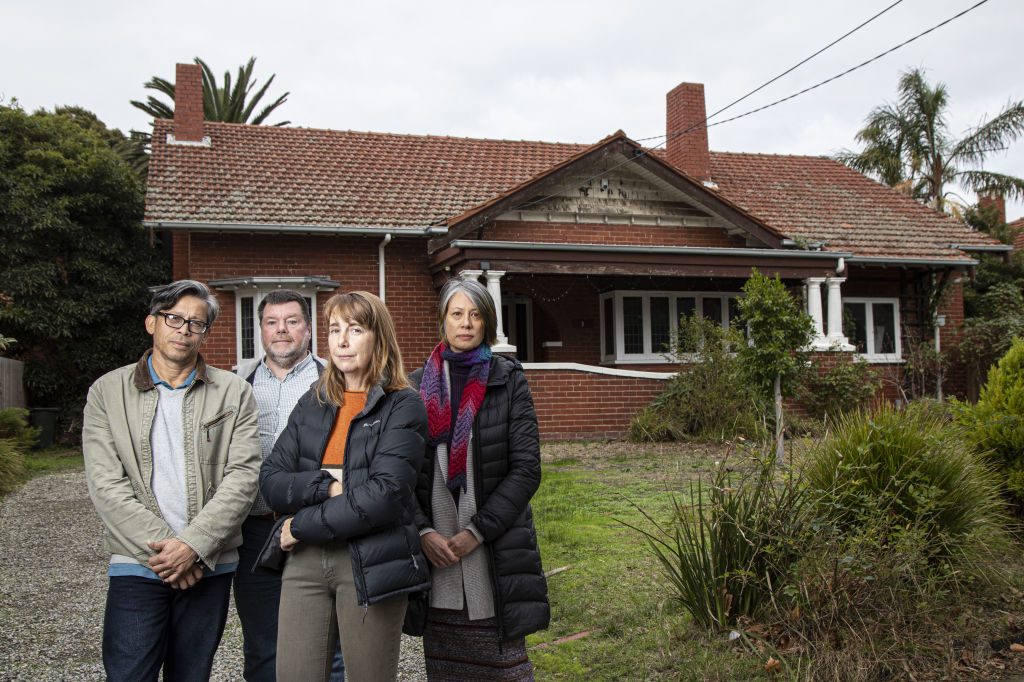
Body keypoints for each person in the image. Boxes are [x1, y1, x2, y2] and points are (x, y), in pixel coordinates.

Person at [82, 279, 261, 681]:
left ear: (205, 333)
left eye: (196, 323)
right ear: (152, 323)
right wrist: (173, 554)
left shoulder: (233, 392)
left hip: (209, 566)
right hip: (138, 564)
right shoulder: (107, 392)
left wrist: (194, 546)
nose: (184, 329)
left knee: (191, 675)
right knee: (129, 674)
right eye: (174, 318)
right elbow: (106, 486)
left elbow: (243, 477)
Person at [259, 291, 430, 682]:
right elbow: (271, 480)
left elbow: (384, 497)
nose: (341, 340)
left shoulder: (402, 404)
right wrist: (329, 486)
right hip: (305, 561)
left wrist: (298, 525)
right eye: (334, 329)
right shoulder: (313, 401)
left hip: (372, 559)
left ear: (378, 337)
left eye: (355, 329)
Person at [407, 277, 549, 680]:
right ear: (443, 320)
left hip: (493, 540)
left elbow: (526, 468)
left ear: (486, 322)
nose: (465, 323)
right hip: (436, 544)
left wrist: (478, 531)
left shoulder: (507, 379)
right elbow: (398, 475)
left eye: (475, 315)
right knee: (448, 667)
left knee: (503, 666)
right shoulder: (415, 386)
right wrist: (422, 532)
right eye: (456, 314)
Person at [234, 290, 347, 682]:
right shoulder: (237, 384)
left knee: (328, 647)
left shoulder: (335, 381)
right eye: (272, 322)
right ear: (260, 329)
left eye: (292, 321)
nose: (282, 330)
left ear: (309, 329)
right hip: (253, 528)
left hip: (315, 526)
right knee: (263, 645)